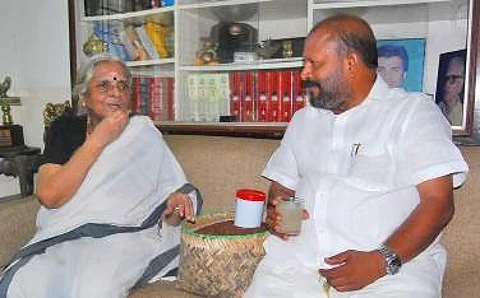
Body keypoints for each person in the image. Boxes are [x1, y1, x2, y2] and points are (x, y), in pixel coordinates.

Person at [245, 14, 468, 298]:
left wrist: (380, 261)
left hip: (391, 274)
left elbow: (438, 204)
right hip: (295, 270)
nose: (304, 74)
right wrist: (277, 212)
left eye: (315, 63)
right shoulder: (303, 120)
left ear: (350, 63)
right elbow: (281, 187)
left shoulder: (413, 113)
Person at [0, 53, 201, 297]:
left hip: (125, 239)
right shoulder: (64, 129)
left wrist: (174, 206)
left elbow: (168, 214)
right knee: (27, 282)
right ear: (84, 98)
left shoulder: (143, 133)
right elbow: (50, 196)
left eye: (123, 85)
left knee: (93, 288)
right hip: (67, 235)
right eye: (104, 85)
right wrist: (99, 139)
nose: (116, 92)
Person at [437, 55, 466, 126]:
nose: (447, 84)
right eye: (446, 78)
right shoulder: (435, 109)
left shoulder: (466, 117)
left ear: (462, 82)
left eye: (453, 78)